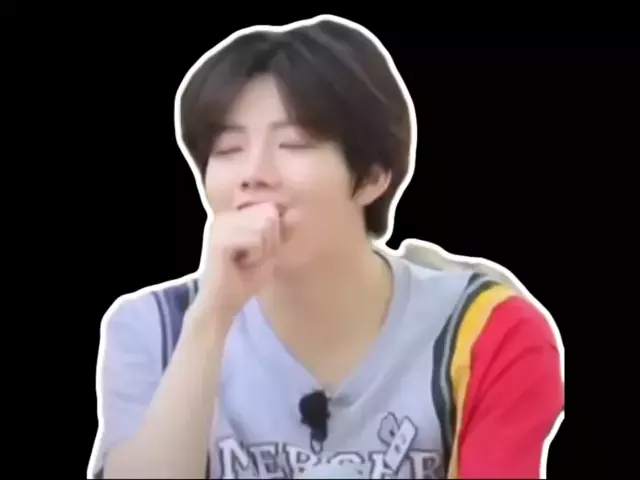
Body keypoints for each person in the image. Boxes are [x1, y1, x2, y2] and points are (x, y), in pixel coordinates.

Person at [88, 15, 564, 479]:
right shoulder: (153, 330)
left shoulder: (489, 333)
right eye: (228, 150)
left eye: (294, 144)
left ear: (374, 175)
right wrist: (210, 317)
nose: (253, 174)